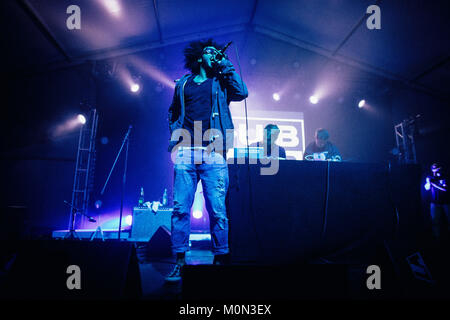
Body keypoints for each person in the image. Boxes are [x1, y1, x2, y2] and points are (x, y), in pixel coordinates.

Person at [166, 39, 248, 282]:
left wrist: (227, 65)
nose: (214, 54)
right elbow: (173, 111)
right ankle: (180, 261)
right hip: (186, 151)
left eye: (216, 52)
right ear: (199, 57)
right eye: (209, 52)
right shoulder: (183, 83)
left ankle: (220, 259)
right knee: (181, 208)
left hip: (214, 150)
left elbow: (242, 92)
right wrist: (175, 135)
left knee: (218, 209)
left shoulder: (221, 81)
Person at [426, 163, 449, 240]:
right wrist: (429, 182)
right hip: (434, 202)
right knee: (435, 221)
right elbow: (427, 188)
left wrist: (433, 183)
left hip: (446, 202)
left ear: (440, 168)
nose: (435, 169)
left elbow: (445, 189)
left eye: (436, 167)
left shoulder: (444, 177)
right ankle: (437, 237)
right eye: (433, 168)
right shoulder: (430, 177)